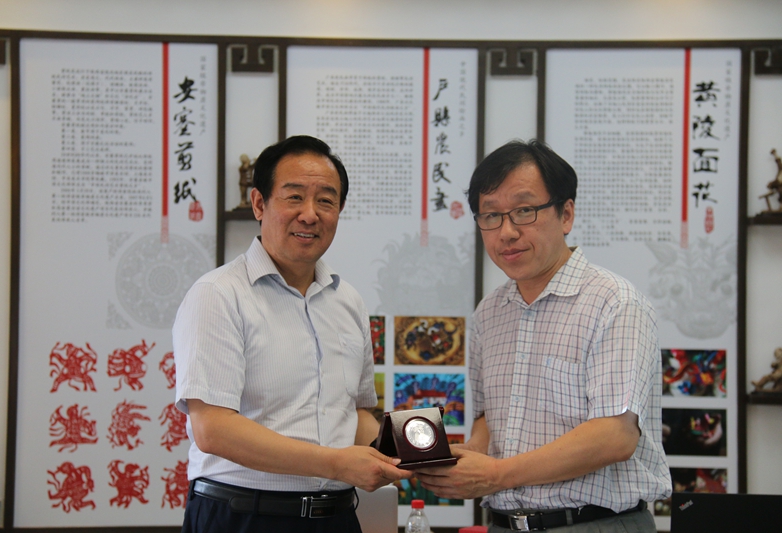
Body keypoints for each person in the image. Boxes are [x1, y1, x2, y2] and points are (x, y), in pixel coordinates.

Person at [415, 139, 672, 532]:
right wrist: (466, 458)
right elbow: (488, 419)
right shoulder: (489, 313)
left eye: (524, 211)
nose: (506, 232)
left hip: (594, 524)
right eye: (491, 215)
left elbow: (615, 436)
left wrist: (495, 474)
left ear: (566, 214)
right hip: (504, 523)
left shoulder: (614, 302)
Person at [173, 135, 412, 533]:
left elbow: (353, 414)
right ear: (259, 204)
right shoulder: (218, 294)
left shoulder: (348, 301)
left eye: (326, 201)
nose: (310, 214)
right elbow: (213, 429)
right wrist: (336, 463)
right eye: (294, 197)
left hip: (336, 518)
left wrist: (413, 451)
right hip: (243, 517)